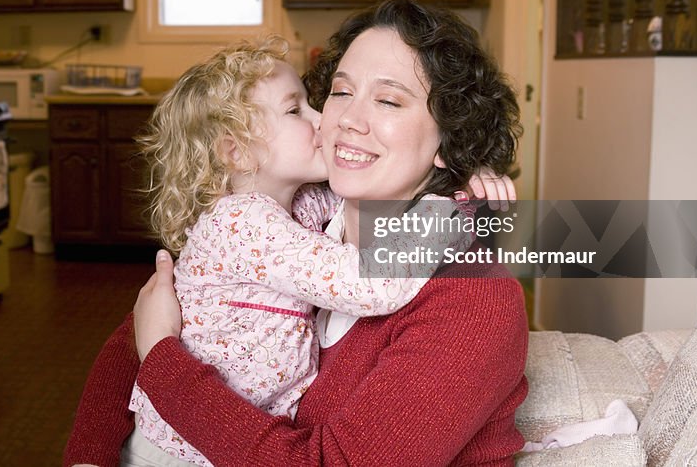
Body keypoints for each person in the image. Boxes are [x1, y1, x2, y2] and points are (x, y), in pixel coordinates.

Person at [64, 0, 526, 466]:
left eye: (388, 100)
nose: (342, 120)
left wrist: (162, 358)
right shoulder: (301, 215)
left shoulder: (473, 297)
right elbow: (141, 332)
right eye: (340, 93)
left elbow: (157, 344)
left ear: (451, 138)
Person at [126, 37, 466, 466]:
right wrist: (442, 211)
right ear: (237, 150)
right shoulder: (241, 223)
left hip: (233, 441)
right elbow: (369, 283)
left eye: (312, 102)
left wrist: (461, 168)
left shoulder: (301, 204)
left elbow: (372, 194)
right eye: (295, 111)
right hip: (181, 448)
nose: (323, 119)